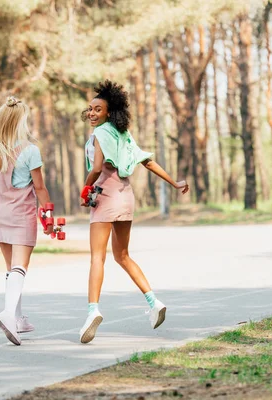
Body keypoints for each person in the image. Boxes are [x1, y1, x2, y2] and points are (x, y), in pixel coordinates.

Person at [79, 80, 189, 344]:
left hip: (105, 197)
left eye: (98, 109)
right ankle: (154, 302)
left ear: (109, 112)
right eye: (90, 109)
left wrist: (85, 188)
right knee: (123, 255)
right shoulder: (122, 134)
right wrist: (174, 182)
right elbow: (147, 161)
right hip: (126, 198)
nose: (92, 113)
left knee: (97, 258)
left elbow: (96, 168)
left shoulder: (100, 134)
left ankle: (93, 311)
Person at [0, 96, 54, 346]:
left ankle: (18, 319)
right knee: (20, 269)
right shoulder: (30, 150)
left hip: (1, 213)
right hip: (22, 214)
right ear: (20, 122)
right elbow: (40, 188)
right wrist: (48, 217)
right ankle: (7, 314)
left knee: (12, 271)